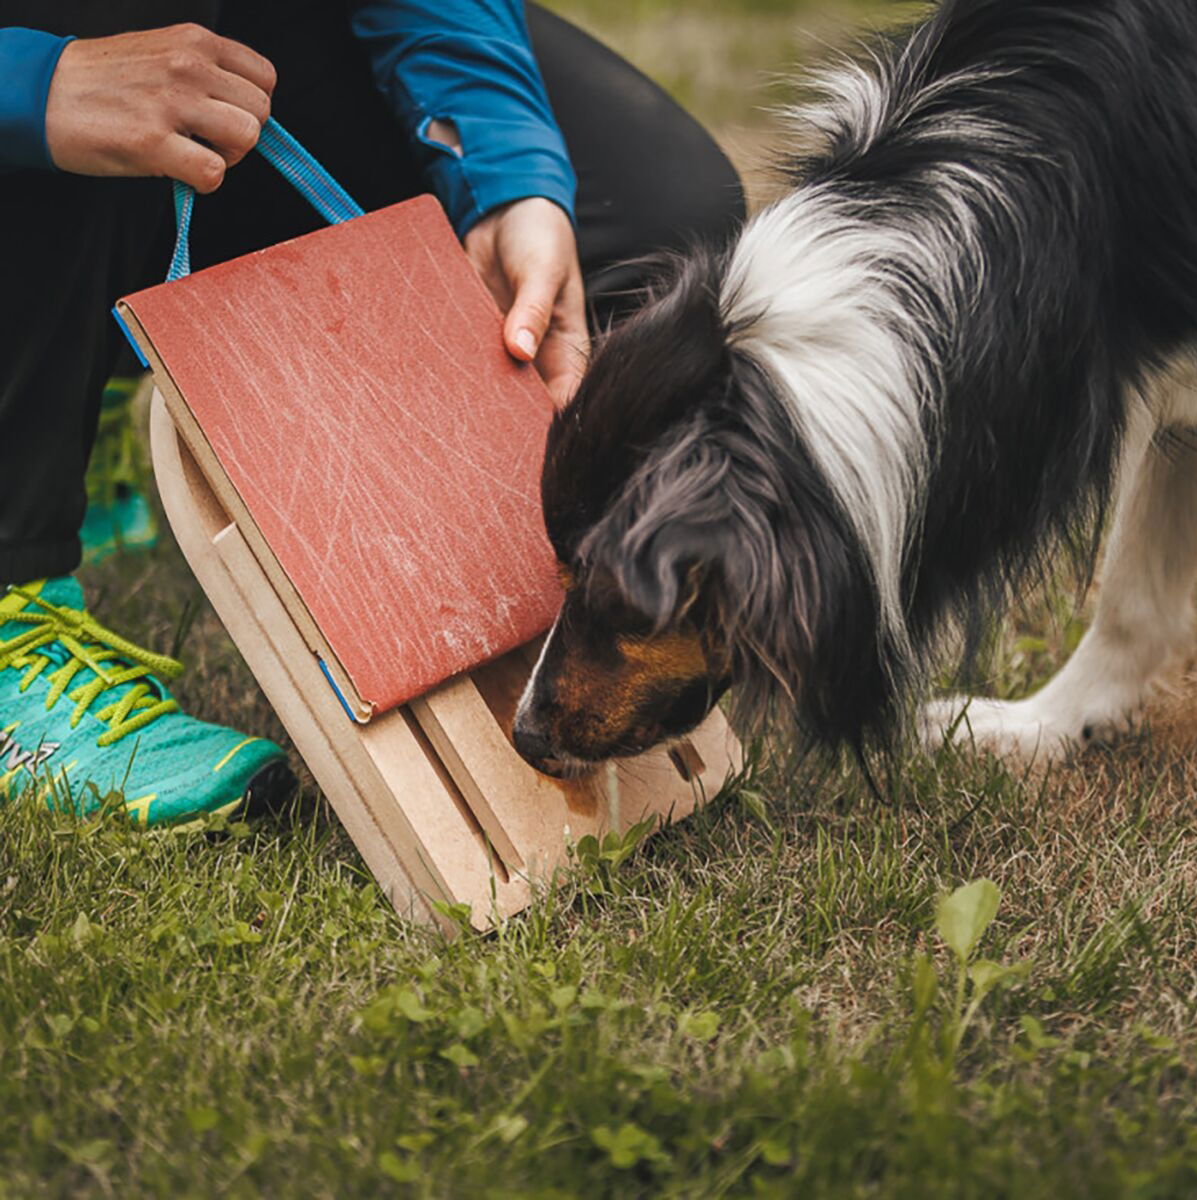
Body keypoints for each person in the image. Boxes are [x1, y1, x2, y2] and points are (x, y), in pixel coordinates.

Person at [0, 2, 745, 827]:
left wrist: (502, 173)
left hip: (224, 54)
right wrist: (35, 88)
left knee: (663, 220)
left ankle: (76, 363)